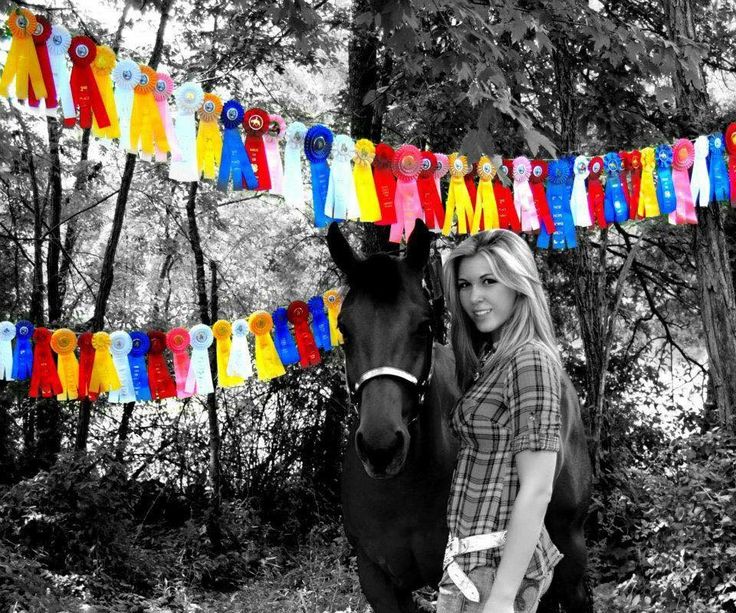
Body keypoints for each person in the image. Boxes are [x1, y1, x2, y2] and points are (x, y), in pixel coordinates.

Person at [437, 229, 564, 613]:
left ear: (518, 283)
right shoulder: (497, 359)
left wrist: (504, 597)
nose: (475, 297)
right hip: (472, 562)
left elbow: (538, 487)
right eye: (465, 284)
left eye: (489, 281)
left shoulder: (530, 360)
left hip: (495, 569)